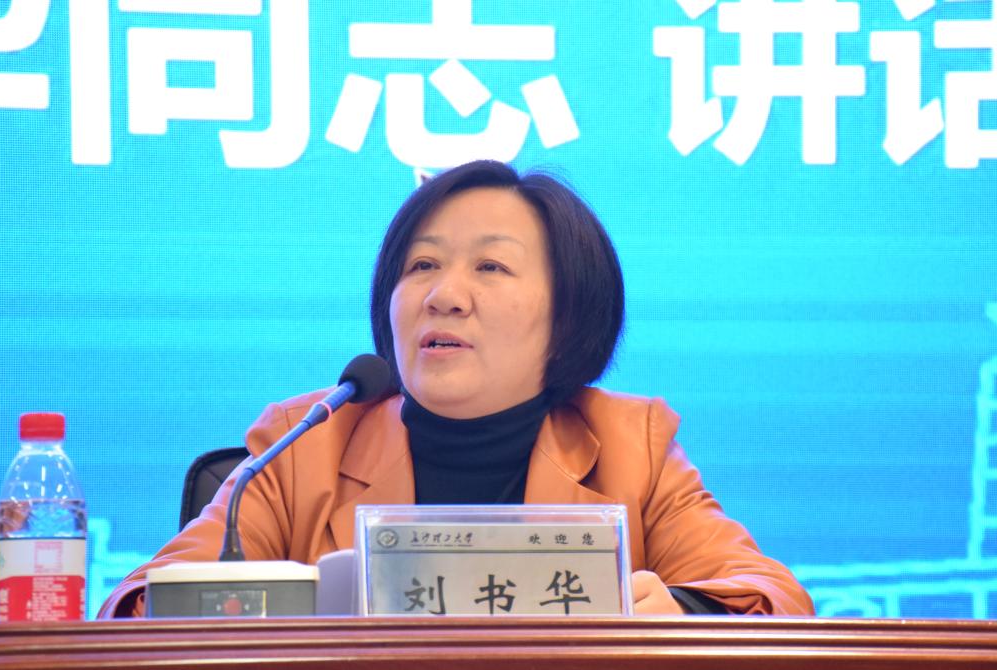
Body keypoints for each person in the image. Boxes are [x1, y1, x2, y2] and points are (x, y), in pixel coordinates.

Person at [98, 160, 814, 618]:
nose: (443, 295)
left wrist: (680, 613)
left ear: (568, 313)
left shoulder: (633, 445)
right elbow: (135, 608)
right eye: (421, 266)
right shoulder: (305, 441)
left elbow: (773, 601)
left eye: (491, 268)